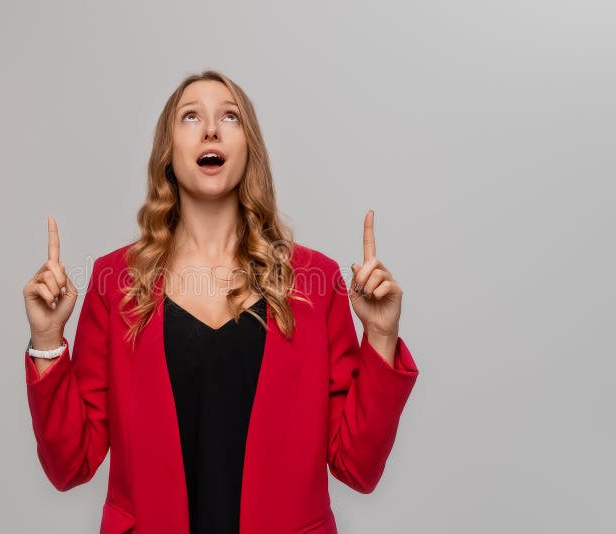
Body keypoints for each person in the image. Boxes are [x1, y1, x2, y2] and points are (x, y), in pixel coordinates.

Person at [22, 70, 419, 534]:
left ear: (249, 148)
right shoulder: (118, 285)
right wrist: (48, 340)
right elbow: (70, 465)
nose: (211, 128)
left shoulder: (314, 282)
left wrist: (380, 336)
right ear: (167, 153)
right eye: (191, 117)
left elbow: (358, 467)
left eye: (229, 117)